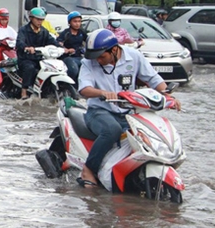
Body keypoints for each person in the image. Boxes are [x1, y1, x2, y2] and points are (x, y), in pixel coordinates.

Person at [76, 28, 181, 189]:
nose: (98, 60)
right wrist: (103, 93)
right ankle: (89, 169)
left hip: (128, 112)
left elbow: (153, 79)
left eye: (101, 56)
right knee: (112, 130)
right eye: (95, 57)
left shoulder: (135, 57)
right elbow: (84, 89)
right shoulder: (88, 63)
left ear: (114, 49)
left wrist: (168, 96)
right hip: (99, 112)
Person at [15, 7, 60, 100]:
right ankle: (24, 91)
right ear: (31, 18)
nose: (40, 22)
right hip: (25, 58)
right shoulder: (24, 30)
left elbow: (52, 41)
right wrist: (26, 48)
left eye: (42, 20)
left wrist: (63, 48)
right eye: (38, 19)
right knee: (30, 68)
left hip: (40, 58)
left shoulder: (44, 31)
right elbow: (19, 42)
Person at [57, 11, 87, 83]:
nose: (77, 24)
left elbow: (89, 41)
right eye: (75, 21)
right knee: (73, 69)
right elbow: (58, 43)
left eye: (79, 21)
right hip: (68, 58)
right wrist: (66, 49)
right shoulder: (66, 33)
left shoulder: (82, 32)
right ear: (70, 22)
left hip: (79, 56)